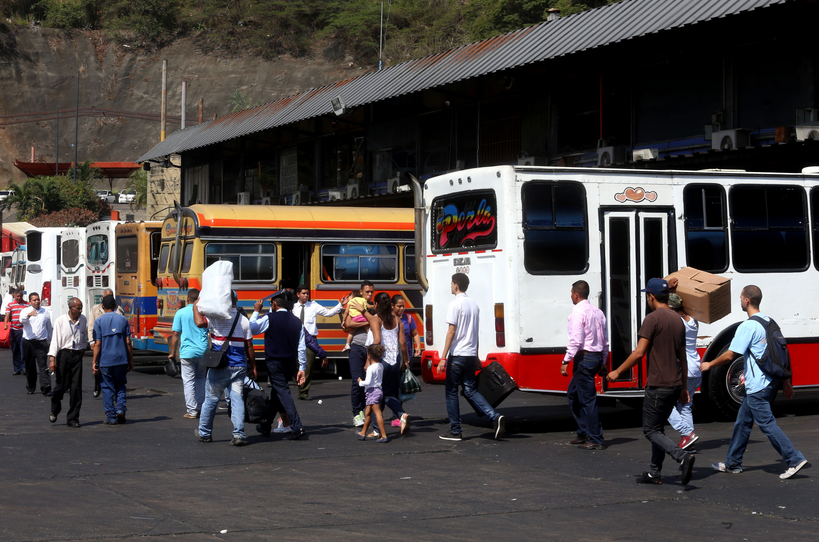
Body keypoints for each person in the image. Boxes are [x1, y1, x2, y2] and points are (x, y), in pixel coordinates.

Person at [703, 285, 808, 480]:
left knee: (767, 424)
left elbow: (730, 355)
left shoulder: (748, 326)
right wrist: (786, 382)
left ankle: (794, 458)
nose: (740, 301)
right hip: (769, 382)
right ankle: (733, 463)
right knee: (742, 422)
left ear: (746, 301)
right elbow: (783, 353)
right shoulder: (769, 322)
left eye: (741, 297)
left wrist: (709, 364)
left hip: (757, 385)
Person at [607, 278, 695, 485]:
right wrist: (683, 388)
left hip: (658, 385)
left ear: (651, 296)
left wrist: (618, 372)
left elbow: (639, 353)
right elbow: (682, 357)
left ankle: (682, 457)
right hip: (674, 384)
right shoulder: (678, 320)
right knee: (659, 429)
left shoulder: (652, 319)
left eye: (647, 295)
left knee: (650, 430)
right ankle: (654, 473)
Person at [437, 273, 506, 441]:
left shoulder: (455, 305)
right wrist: (476, 356)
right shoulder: (474, 305)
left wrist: (443, 357)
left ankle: (455, 431)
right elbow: (475, 333)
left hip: (458, 354)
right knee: (469, 389)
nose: (451, 286)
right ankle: (493, 415)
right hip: (469, 355)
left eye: (451, 283)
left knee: (451, 392)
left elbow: (451, 332)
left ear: (456, 285)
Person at [193, 290, 257, 446]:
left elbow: (199, 323)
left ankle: (205, 432)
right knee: (236, 399)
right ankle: (239, 434)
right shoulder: (244, 320)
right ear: (236, 301)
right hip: (239, 367)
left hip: (219, 366)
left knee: (211, 399)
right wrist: (253, 366)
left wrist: (195, 305)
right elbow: (249, 345)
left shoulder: (216, 318)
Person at [250, 290, 308, 440]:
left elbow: (251, 329)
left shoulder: (270, 318)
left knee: (283, 392)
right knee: (277, 393)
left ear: (275, 304)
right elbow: (301, 347)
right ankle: (265, 425)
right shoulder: (297, 321)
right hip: (290, 362)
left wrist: (256, 312)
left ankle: (297, 426)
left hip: (274, 361)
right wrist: (302, 367)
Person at [562, 280, 609, 450]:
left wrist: (566, 360)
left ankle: (596, 438)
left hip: (584, 359)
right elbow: (605, 340)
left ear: (575, 293)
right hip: (595, 358)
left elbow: (576, 340)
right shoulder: (598, 312)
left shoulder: (577, 312)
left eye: (571, 293)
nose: (571, 296)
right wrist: (603, 361)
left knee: (588, 400)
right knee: (573, 393)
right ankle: (583, 431)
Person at [292, 285, 351, 401]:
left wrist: (341, 304)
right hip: (295, 338)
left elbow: (329, 313)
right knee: (295, 363)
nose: (306, 295)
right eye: (303, 293)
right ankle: (298, 381)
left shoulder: (313, 305)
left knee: (308, 365)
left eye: (307, 293)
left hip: (310, 339)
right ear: (298, 294)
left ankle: (303, 392)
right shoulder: (293, 307)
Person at [371, 293, 411, 436]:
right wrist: (405, 361)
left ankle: (400, 414)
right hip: (396, 361)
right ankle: (376, 428)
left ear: (376, 305)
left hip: (383, 361)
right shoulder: (397, 320)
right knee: (387, 394)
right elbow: (403, 343)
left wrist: (369, 360)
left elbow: (376, 341)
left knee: (378, 395)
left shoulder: (377, 319)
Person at [665, 293, 702, 452]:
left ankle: (686, 432)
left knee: (664, 404)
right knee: (685, 405)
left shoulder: (675, 323)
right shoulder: (693, 321)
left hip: (684, 369)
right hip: (696, 368)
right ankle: (689, 443)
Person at [344, 281, 382, 427]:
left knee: (370, 383)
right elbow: (349, 324)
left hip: (371, 350)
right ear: (361, 292)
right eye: (367, 292)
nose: (369, 294)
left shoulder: (373, 307)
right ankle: (356, 413)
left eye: (371, 292)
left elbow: (378, 321)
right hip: (356, 347)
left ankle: (368, 412)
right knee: (356, 381)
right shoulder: (355, 304)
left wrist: (370, 319)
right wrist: (368, 322)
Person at [48, 298, 89, 428]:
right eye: (78, 308)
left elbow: (84, 336)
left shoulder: (83, 320)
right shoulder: (60, 321)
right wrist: (52, 359)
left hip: (76, 355)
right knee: (61, 386)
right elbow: (55, 341)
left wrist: (83, 348)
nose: (81, 310)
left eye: (81, 307)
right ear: (71, 308)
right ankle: (55, 407)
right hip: (64, 355)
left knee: (76, 388)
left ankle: (73, 418)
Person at [92, 295, 133, 425]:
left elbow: (98, 344)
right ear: (115, 306)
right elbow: (127, 342)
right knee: (121, 385)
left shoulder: (99, 322)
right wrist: (130, 359)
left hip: (106, 360)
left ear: (102, 307)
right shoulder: (123, 319)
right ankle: (120, 409)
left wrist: (94, 362)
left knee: (107, 388)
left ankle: (111, 416)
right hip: (121, 359)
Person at [169, 289, 209, 419]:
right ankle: (201, 408)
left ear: (187, 299)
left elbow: (175, 335)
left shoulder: (180, 313)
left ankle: (192, 411)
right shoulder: (204, 313)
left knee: (188, 381)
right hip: (203, 351)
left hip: (187, 352)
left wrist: (172, 353)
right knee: (200, 379)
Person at [88, 289, 124, 398]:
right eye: (107, 296)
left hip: (113, 343)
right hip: (99, 342)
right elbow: (91, 326)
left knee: (110, 368)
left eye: (111, 296)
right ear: (103, 298)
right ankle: (97, 385)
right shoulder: (95, 309)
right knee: (98, 366)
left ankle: (111, 390)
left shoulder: (118, 309)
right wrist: (91, 341)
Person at [19, 293, 52, 395]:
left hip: (41, 343)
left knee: (42, 364)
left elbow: (49, 328)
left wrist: (50, 342)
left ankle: (45, 385)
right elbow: (21, 320)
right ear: (30, 301)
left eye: (38, 300)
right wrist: (29, 315)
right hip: (28, 342)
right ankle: (31, 387)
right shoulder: (25, 311)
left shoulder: (45, 312)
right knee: (30, 366)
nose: (37, 302)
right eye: (34, 300)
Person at [356, 344, 389, 443]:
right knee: (368, 413)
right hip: (378, 391)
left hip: (372, 392)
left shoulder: (371, 368)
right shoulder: (380, 365)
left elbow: (368, 382)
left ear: (369, 355)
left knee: (377, 413)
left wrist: (360, 382)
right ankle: (363, 432)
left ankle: (383, 435)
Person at [5, 289, 29, 375]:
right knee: (15, 350)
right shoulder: (10, 305)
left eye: (21, 296)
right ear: (14, 296)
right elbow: (7, 315)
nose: (19, 298)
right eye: (17, 296)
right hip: (14, 330)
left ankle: (24, 367)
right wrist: (6, 324)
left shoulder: (27, 304)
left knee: (23, 350)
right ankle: (17, 368)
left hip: (24, 330)